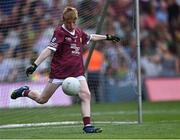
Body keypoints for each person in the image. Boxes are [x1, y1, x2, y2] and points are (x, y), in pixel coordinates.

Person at [11, 6, 120, 133]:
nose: (72, 25)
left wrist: (107, 37)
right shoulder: (59, 32)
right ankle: (24, 91)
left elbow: (90, 37)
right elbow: (48, 49)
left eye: (74, 22)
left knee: (86, 95)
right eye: (69, 22)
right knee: (42, 99)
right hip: (59, 73)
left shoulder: (78, 32)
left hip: (77, 72)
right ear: (64, 20)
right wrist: (35, 65)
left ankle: (87, 126)